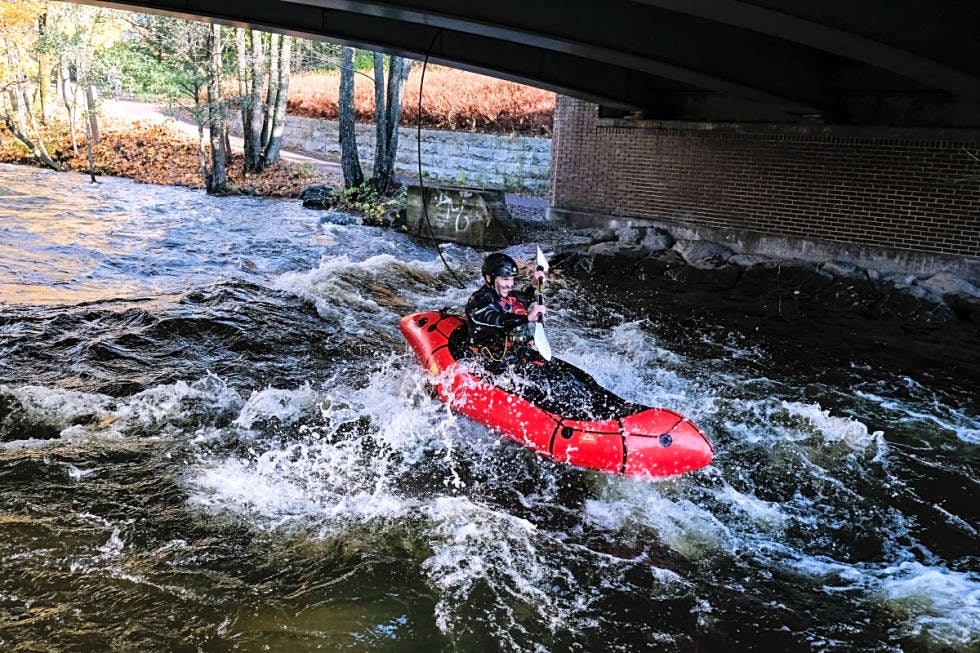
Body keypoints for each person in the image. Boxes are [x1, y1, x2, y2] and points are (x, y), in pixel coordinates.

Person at [461, 252, 547, 369]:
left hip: (518, 353)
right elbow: (498, 319)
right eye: (505, 279)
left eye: (512, 279)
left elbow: (523, 300)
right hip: (492, 361)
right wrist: (527, 318)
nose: (510, 285)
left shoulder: (508, 295)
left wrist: (533, 285)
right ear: (489, 278)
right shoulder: (478, 301)